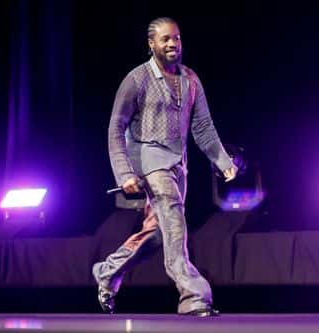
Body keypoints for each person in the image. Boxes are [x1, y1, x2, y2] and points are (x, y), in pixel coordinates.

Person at [92, 17, 237, 317]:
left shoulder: (190, 79)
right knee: (174, 218)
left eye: (177, 38)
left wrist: (223, 161)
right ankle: (193, 295)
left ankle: (107, 272)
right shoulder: (137, 80)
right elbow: (115, 128)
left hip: (177, 165)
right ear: (151, 44)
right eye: (165, 39)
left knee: (159, 233)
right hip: (149, 162)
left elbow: (203, 127)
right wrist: (125, 173)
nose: (172, 44)